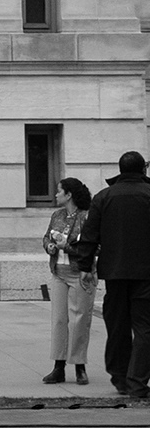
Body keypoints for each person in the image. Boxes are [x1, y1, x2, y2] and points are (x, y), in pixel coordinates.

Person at [68, 150, 150, 402]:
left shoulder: (104, 197)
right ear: (143, 170)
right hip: (146, 273)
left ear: (121, 169)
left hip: (114, 272)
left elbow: (90, 235)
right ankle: (137, 382)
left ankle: (120, 377)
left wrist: (84, 267)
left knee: (117, 325)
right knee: (145, 327)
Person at [43, 177, 95, 386]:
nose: (56, 195)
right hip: (59, 273)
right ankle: (58, 367)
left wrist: (67, 247)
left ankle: (80, 366)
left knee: (80, 320)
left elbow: (94, 247)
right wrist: (50, 246)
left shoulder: (87, 217)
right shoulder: (57, 215)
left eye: (59, 191)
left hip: (80, 273)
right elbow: (46, 237)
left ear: (69, 195)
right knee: (59, 319)